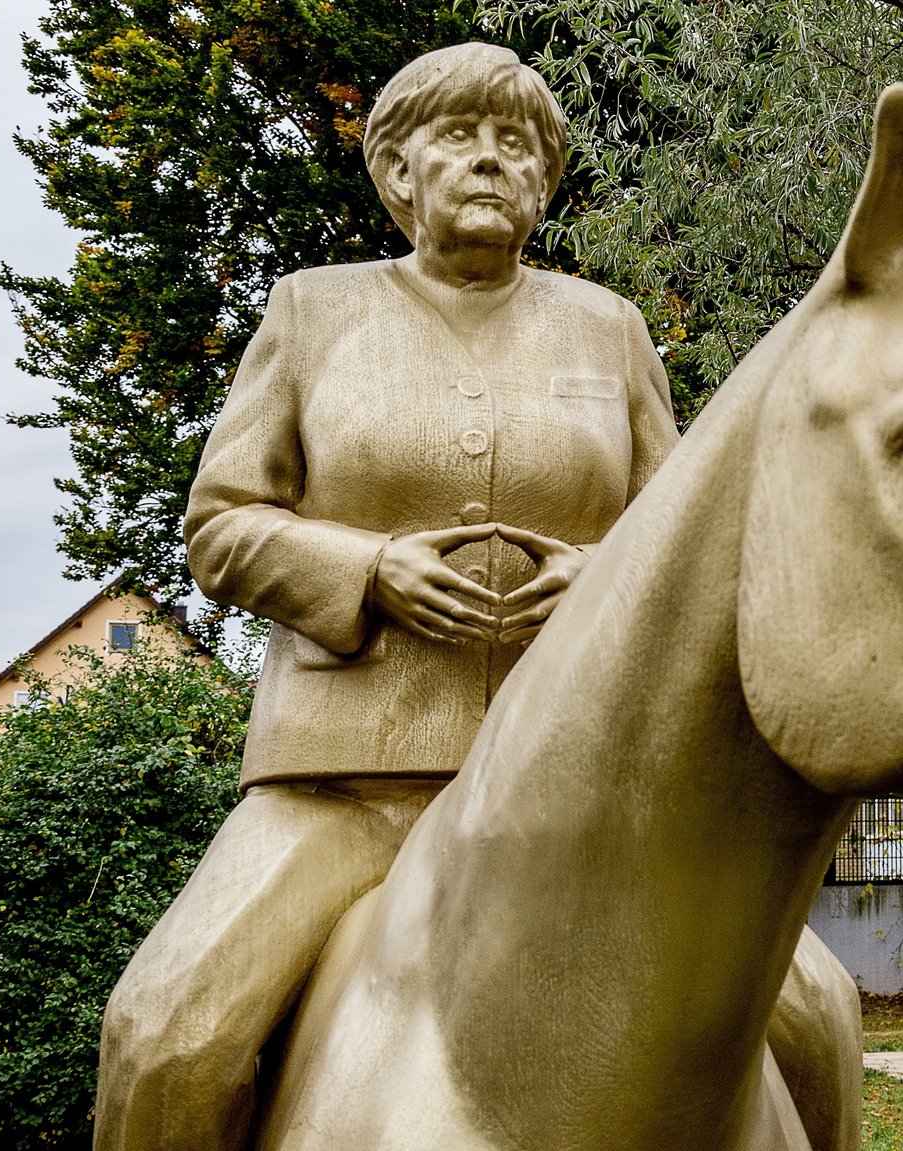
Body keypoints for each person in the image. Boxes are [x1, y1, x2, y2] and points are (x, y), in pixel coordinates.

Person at [93, 43, 678, 1150]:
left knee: (816, 1016)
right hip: (345, 790)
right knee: (166, 1032)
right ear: (397, 173)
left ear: (545, 184)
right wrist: (366, 571)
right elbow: (219, 523)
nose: (489, 163)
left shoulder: (609, 329)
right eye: (458, 139)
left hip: (582, 798)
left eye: (516, 145)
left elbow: (685, 538)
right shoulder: (312, 313)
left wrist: (604, 574)